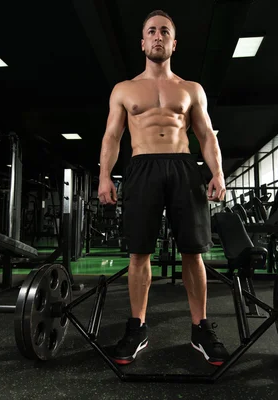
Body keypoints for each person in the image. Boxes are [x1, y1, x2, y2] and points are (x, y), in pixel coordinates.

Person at [98, 9, 228, 366]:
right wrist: (104, 176)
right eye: (151, 31)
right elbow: (112, 135)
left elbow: (205, 135)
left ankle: (200, 328)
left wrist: (217, 173)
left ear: (173, 43)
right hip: (141, 167)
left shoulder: (191, 89)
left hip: (184, 166)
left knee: (193, 251)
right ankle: (137, 326)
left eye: (164, 32)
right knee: (138, 252)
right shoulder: (124, 89)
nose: (158, 36)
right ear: (143, 42)